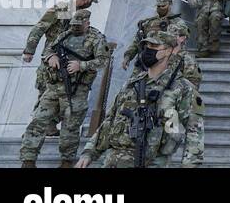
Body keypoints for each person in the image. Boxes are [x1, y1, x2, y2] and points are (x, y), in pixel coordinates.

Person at [79, 30, 203, 168]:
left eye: (154, 47)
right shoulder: (132, 83)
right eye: (147, 46)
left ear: (168, 51)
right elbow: (109, 120)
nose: (148, 50)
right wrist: (89, 152)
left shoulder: (183, 88)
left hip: (151, 162)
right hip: (112, 161)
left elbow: (195, 133)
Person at [19, 8, 109, 168]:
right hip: (54, 87)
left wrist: (81, 65)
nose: (74, 28)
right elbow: (49, 48)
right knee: (38, 121)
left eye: (78, 26)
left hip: (76, 90)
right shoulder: (65, 34)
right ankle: (28, 160)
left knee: (70, 127)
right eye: (73, 25)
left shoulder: (96, 38)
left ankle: (66, 161)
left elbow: (103, 60)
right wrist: (50, 57)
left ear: (87, 23)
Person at [122, 0, 189, 70]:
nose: (160, 8)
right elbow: (137, 41)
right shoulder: (148, 22)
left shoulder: (178, 23)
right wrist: (128, 57)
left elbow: (181, 44)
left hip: (163, 64)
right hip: (144, 63)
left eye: (163, 6)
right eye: (158, 6)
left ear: (170, 5)